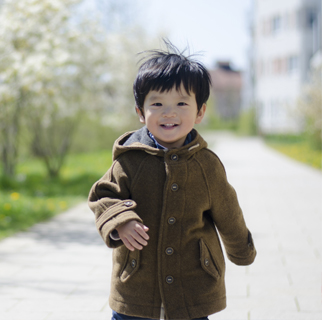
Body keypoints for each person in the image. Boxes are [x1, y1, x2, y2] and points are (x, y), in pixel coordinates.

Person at [88, 41, 256, 320]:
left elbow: (228, 210)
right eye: (157, 104)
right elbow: (103, 195)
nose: (169, 112)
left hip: (193, 285)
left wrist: (242, 250)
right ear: (141, 113)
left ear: (200, 112)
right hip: (136, 286)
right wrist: (122, 220)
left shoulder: (207, 165)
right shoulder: (130, 161)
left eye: (181, 103)